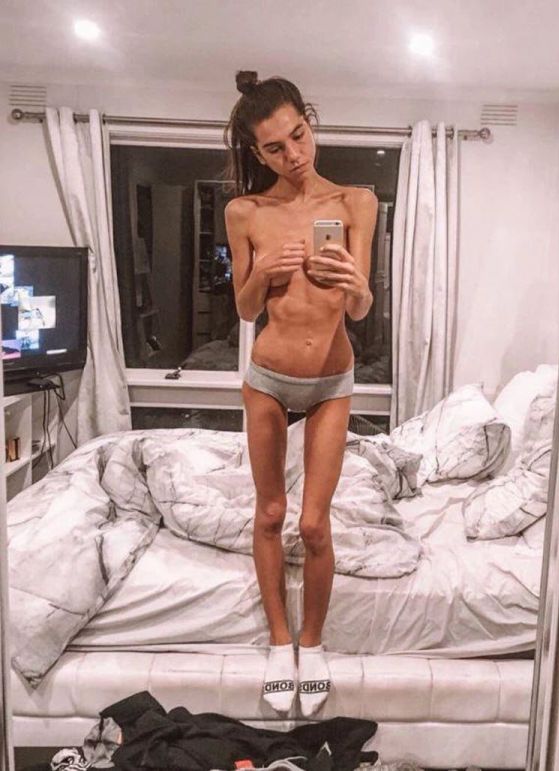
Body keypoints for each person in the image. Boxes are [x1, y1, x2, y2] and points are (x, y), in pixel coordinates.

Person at [223, 70, 378, 718]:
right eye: (275, 147)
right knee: (269, 513)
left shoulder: (356, 201)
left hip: (331, 380)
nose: (293, 153)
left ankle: (312, 644)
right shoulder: (246, 213)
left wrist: (356, 283)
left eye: (299, 135)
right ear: (257, 154)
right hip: (268, 377)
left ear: (309, 123)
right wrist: (264, 270)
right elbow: (245, 308)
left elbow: (360, 307)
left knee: (314, 523)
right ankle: (279, 643)